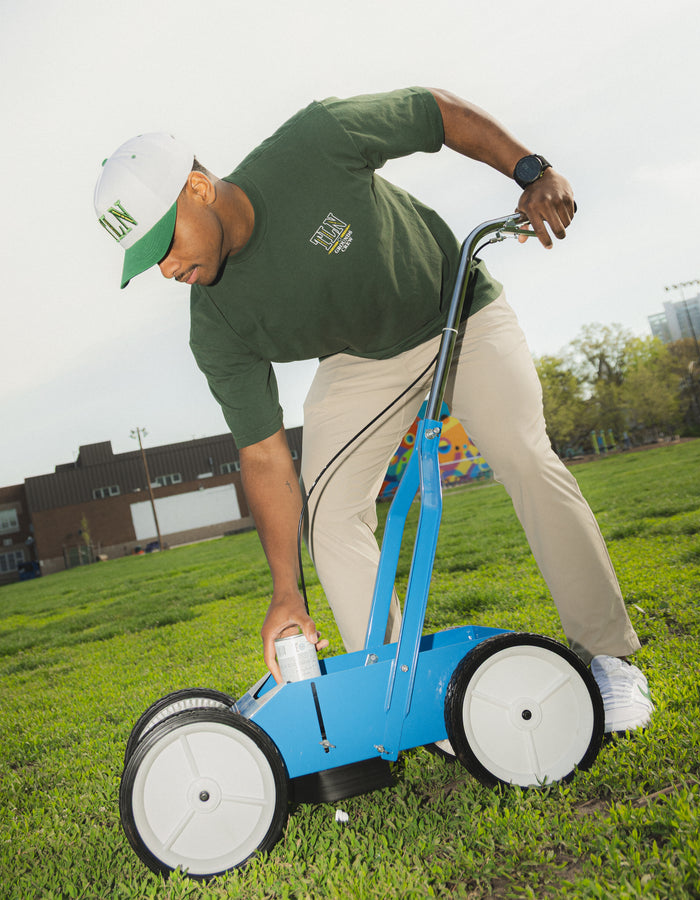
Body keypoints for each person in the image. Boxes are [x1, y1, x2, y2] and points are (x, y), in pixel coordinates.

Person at [94, 87, 653, 733]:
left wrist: (533, 170)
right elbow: (263, 454)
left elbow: (435, 113)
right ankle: (400, 691)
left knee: (526, 457)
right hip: (361, 361)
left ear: (197, 188)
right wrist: (286, 593)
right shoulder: (216, 326)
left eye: (164, 243)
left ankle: (609, 657)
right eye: (147, 261)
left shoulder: (316, 141)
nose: (166, 269)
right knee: (329, 514)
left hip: (457, 309)